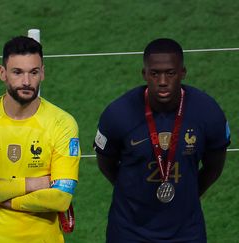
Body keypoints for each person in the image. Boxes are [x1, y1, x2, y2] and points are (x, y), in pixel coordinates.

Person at [93, 38, 230, 242]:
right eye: (155, 73)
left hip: (186, 232)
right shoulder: (117, 114)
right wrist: (131, 193)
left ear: (182, 73)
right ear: (144, 74)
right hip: (128, 231)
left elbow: (214, 167)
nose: (163, 81)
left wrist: (189, 195)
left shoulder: (208, 113)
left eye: (170, 73)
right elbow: (106, 163)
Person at [0, 36, 80, 243]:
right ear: (2, 73)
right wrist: (35, 183)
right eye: (17, 72)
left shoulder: (63, 123)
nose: (26, 81)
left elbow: (60, 199)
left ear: (42, 73)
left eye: (33, 72)